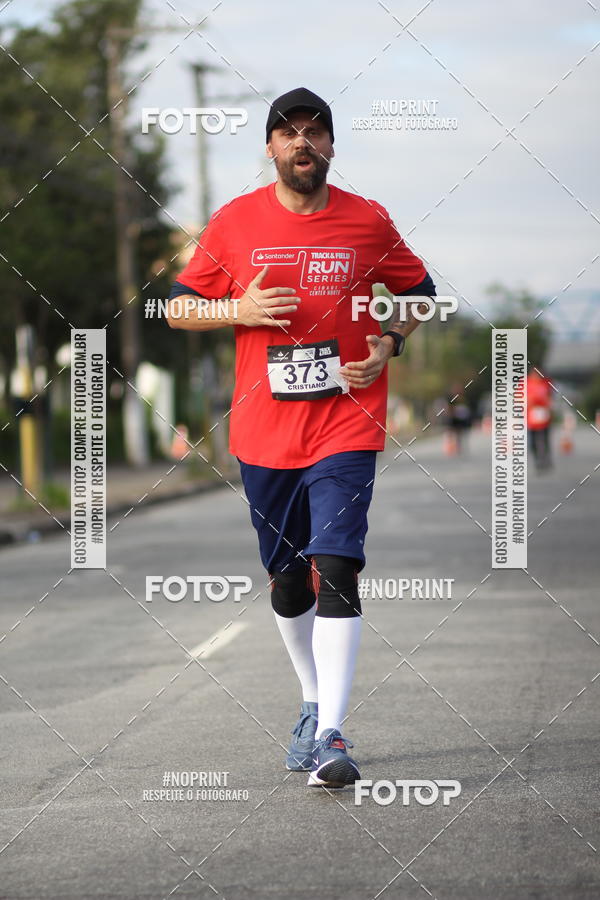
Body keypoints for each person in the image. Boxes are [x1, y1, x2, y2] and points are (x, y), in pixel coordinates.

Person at [167, 87, 436, 788]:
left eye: (315, 132)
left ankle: (332, 735)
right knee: (289, 580)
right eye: (289, 133)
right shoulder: (233, 223)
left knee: (338, 563)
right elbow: (172, 307)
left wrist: (387, 343)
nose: (302, 143)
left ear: (331, 147)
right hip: (264, 429)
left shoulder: (367, 221)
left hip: (347, 417)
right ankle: (311, 701)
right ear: (269, 147)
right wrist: (239, 307)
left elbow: (421, 289)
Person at [527, 367, 553, 470]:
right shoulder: (526, 384)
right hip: (531, 418)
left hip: (543, 417)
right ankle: (537, 459)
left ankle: (546, 458)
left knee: (545, 439)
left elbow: (549, 397)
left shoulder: (545, 383)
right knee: (532, 441)